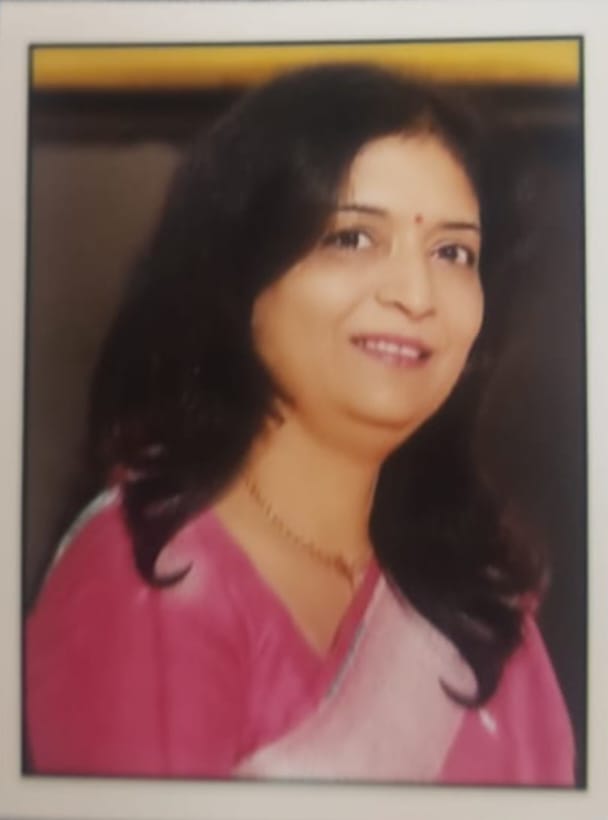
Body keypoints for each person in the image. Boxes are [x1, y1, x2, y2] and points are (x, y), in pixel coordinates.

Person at [25, 62, 574, 784]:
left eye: (452, 252)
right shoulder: (150, 578)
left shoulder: (475, 600)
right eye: (352, 238)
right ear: (240, 273)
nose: (417, 296)